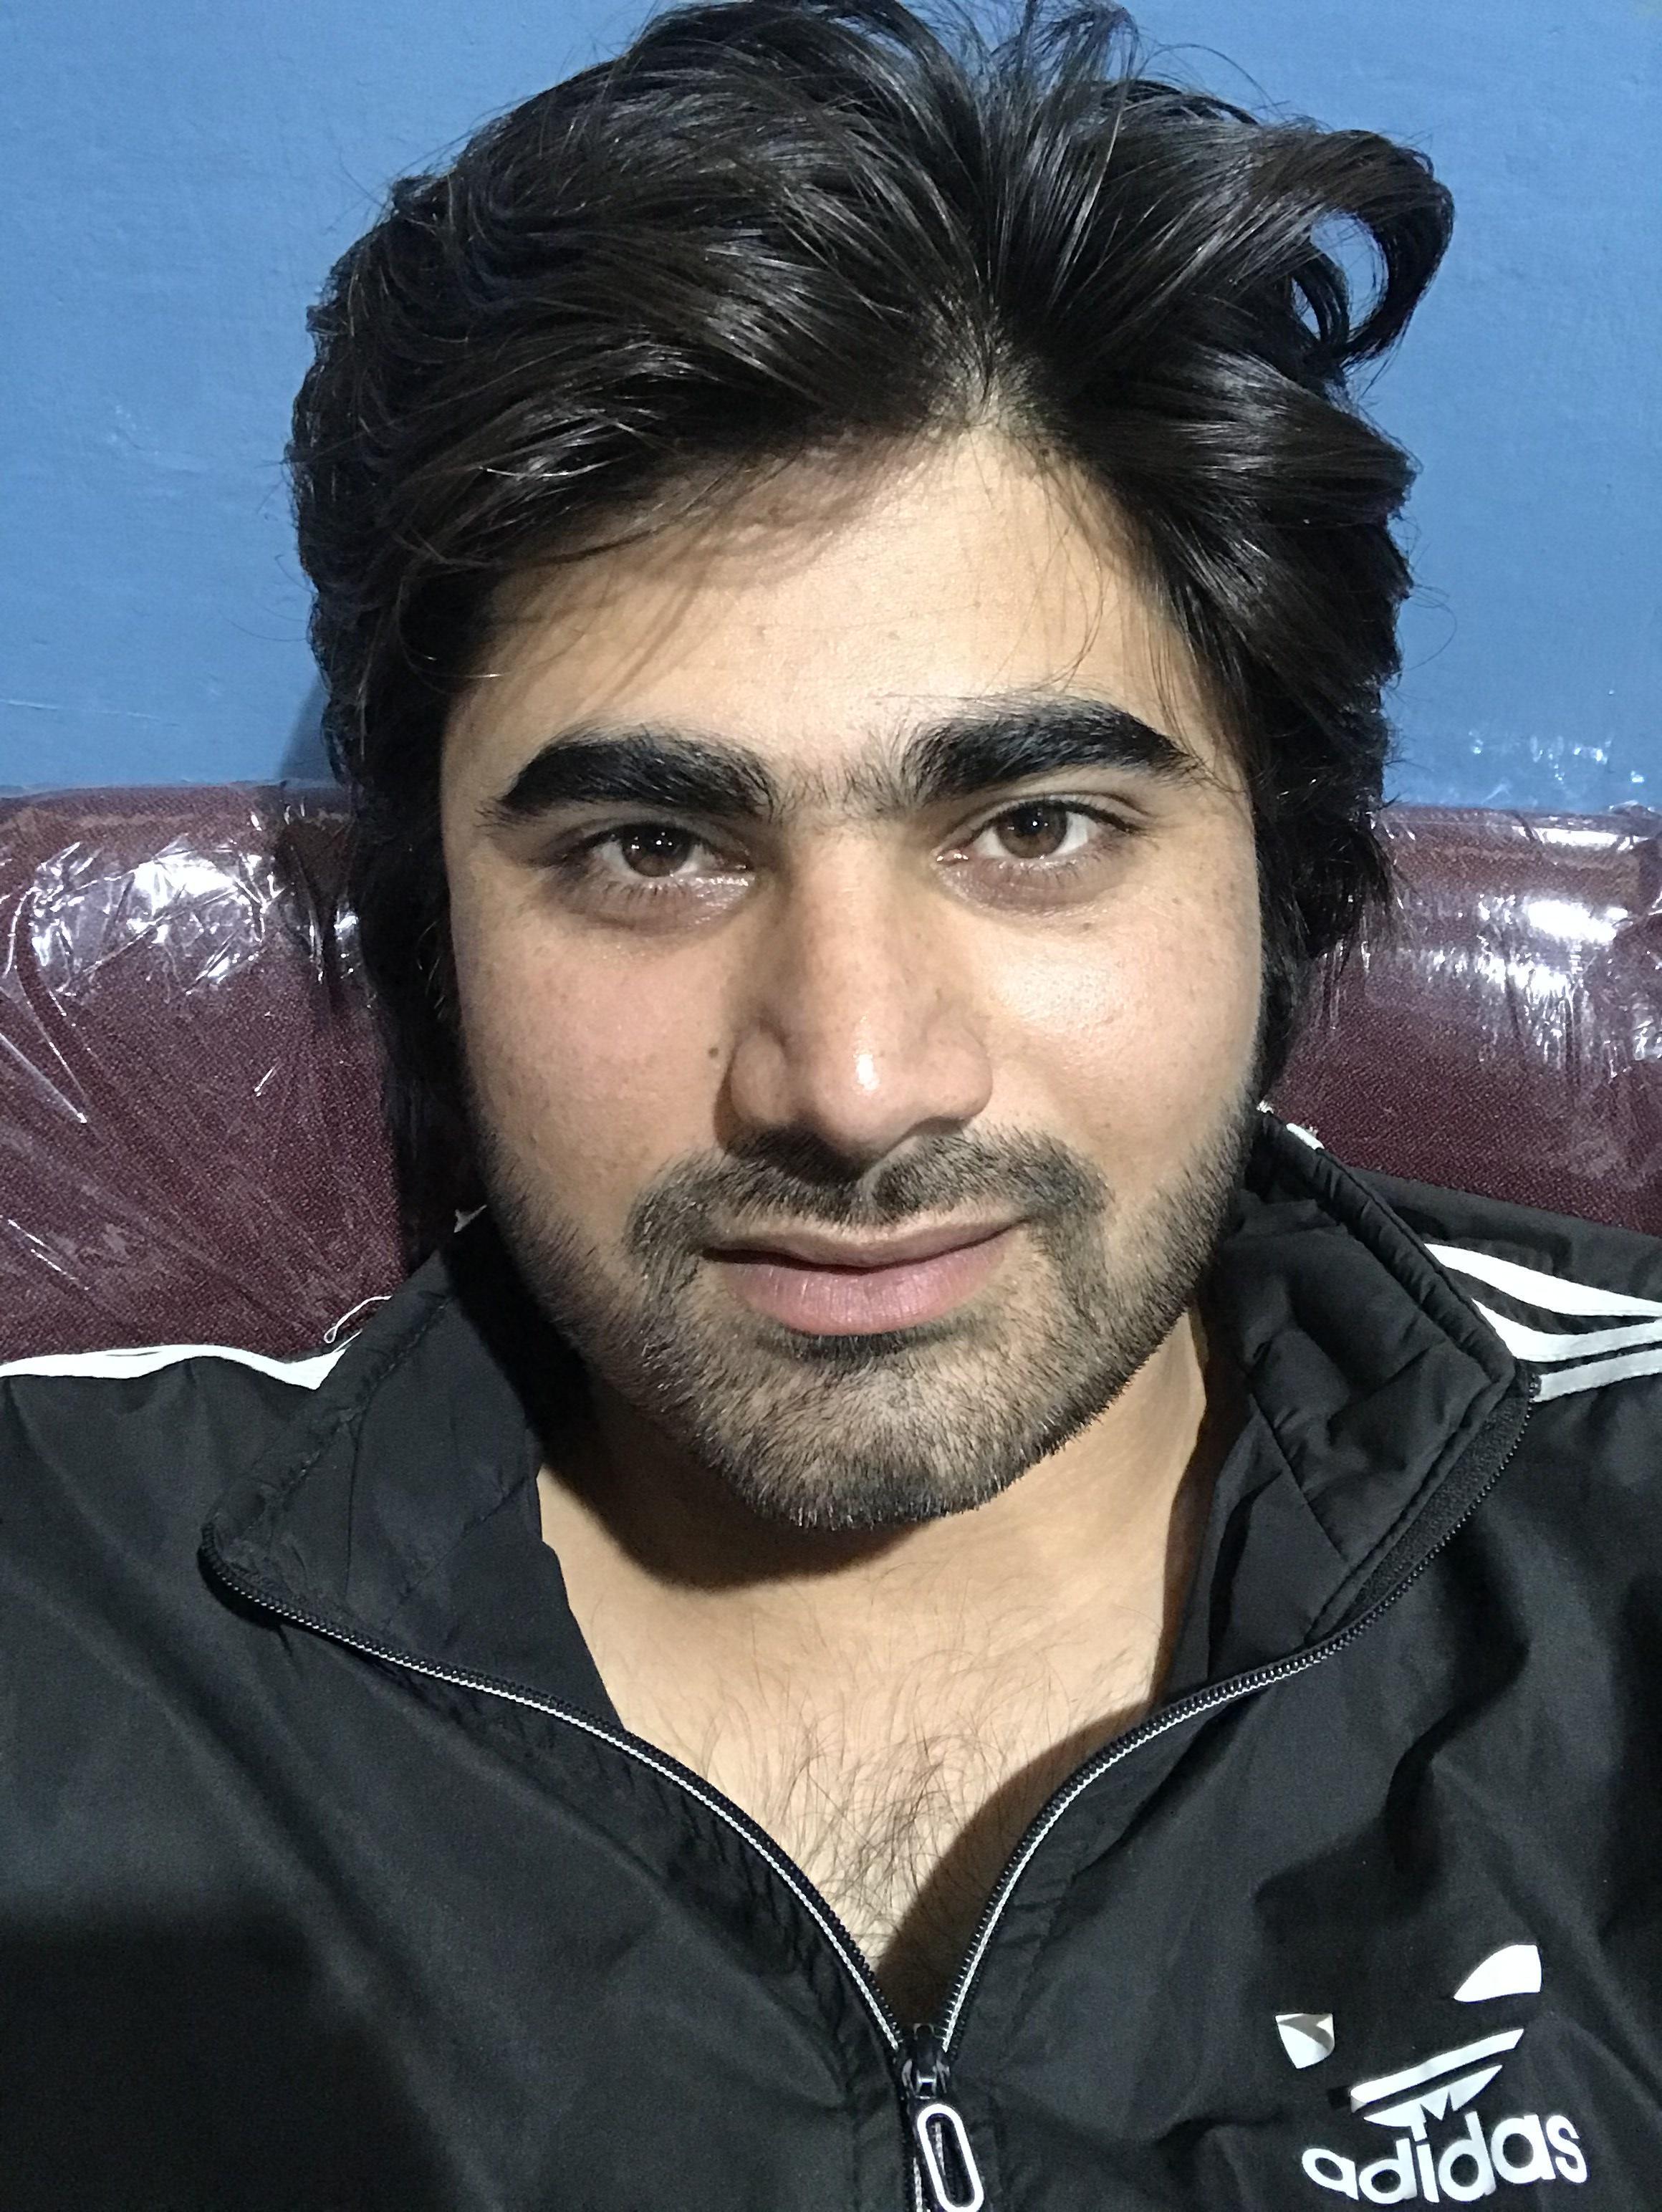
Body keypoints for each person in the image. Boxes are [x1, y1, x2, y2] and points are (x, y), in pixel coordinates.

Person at [4, 1, 1658, 2204]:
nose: (855, 1085)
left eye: (1037, 827)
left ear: (1282, 876)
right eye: (651, 850)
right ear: (434, 923)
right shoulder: (68, 1632)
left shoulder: (1614, 1547)